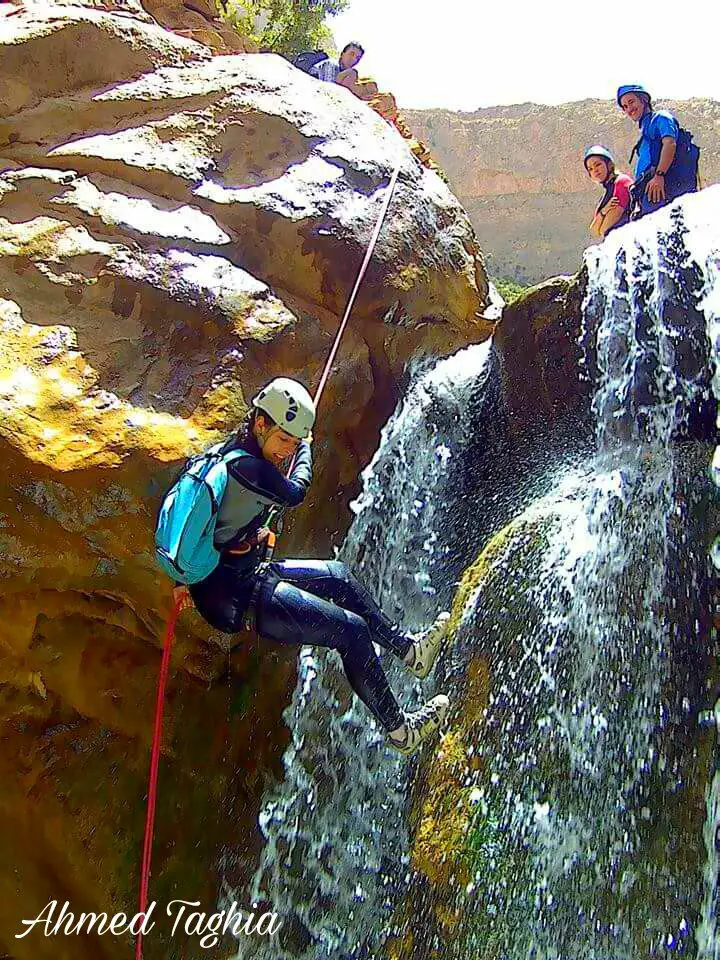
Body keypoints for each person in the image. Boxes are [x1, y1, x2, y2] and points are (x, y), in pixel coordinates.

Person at [171, 378, 451, 757]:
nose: (286, 449)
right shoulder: (251, 469)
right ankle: (400, 730)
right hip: (236, 597)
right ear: (260, 424)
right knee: (351, 632)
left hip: (238, 575)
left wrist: (186, 577)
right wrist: (306, 446)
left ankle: (409, 652)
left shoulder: (230, 452)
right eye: (283, 439)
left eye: (292, 441)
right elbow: (297, 491)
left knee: (338, 576)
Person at [617, 84, 699, 218]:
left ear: (643, 99)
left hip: (662, 187)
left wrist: (659, 175)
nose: (629, 109)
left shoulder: (661, 118)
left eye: (631, 102)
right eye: (625, 106)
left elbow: (670, 143)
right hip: (649, 190)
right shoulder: (644, 133)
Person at [584, 145, 634, 238]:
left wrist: (601, 219)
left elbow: (603, 230)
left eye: (598, 164)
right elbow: (594, 231)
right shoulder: (606, 196)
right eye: (590, 169)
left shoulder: (622, 182)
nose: (595, 170)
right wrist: (604, 210)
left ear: (609, 164)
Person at [309, 42, 379, 101]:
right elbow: (329, 90)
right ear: (342, 54)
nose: (354, 59)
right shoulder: (331, 64)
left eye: (358, 58)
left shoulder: (345, 74)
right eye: (351, 54)